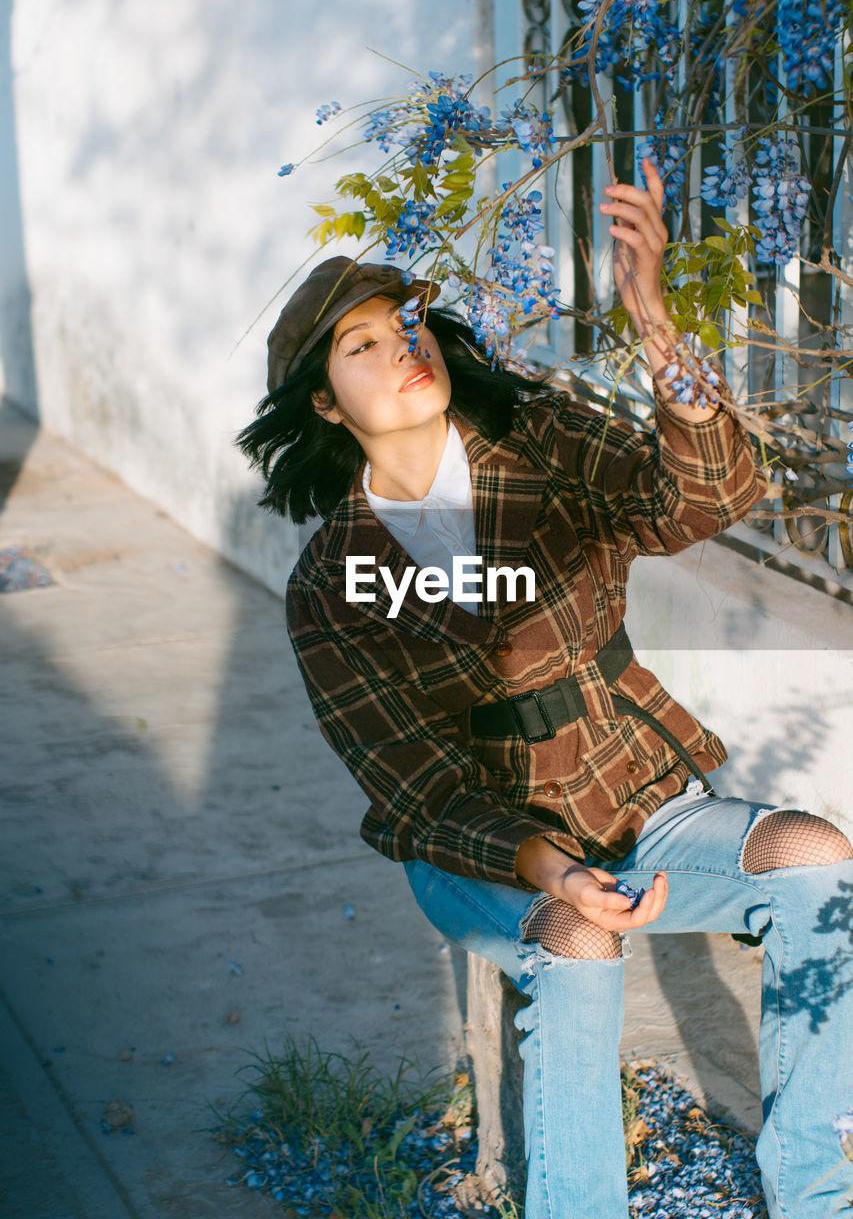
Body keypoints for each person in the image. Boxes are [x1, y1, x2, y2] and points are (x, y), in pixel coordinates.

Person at [239, 160, 853, 1219]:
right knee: (579, 938)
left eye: (405, 325)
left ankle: (817, 1191)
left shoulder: (541, 437)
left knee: (816, 858)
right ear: (326, 407)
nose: (402, 350)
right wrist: (557, 874)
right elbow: (420, 792)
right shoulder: (330, 585)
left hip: (640, 798)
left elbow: (703, 497)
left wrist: (654, 322)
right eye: (363, 346)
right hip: (489, 847)